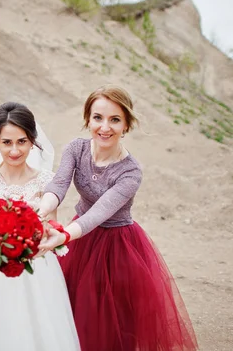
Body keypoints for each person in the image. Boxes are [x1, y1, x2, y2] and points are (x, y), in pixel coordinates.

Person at [38, 87, 198, 351]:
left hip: (118, 248)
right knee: (75, 314)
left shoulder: (131, 171)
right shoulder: (76, 149)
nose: (105, 127)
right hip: (81, 242)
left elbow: (101, 211)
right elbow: (58, 185)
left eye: (115, 119)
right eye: (98, 117)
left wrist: (65, 234)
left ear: (126, 125)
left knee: (115, 327)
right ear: (88, 119)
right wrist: (41, 210)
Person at [0, 102, 80, 351]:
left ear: (32, 141)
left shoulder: (46, 181)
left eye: (22, 141)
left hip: (36, 268)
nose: (15, 150)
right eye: (7, 142)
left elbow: (52, 226)